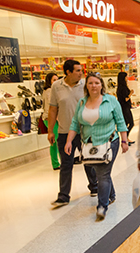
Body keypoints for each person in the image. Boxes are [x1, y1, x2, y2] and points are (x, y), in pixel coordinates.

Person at [64, 73, 128, 221]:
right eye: (91, 83)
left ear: (101, 85)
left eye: (97, 83)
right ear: (86, 85)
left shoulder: (110, 100)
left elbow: (121, 121)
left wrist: (124, 141)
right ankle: (111, 195)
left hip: (110, 141)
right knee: (100, 170)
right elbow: (75, 123)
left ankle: (102, 206)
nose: (94, 86)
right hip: (89, 143)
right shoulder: (81, 102)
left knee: (102, 173)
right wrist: (69, 141)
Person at [48, 60, 98, 208]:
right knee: (66, 164)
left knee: (89, 160)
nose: (80, 73)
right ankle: (63, 196)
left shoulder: (85, 85)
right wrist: (51, 130)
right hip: (64, 132)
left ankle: (94, 186)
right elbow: (52, 109)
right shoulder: (56, 87)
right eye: (77, 70)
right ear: (68, 72)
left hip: (84, 131)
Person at [42, 72, 60, 170]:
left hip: (49, 118)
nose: (56, 82)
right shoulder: (50, 91)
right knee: (56, 142)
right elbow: (52, 108)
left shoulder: (48, 90)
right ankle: (56, 163)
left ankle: (59, 162)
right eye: (54, 80)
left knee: (56, 142)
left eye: (57, 80)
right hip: (51, 119)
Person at [116, 72, 135, 145]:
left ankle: (126, 138)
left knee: (126, 123)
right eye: (126, 77)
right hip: (125, 108)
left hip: (123, 108)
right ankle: (126, 138)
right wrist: (131, 93)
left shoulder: (120, 87)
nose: (127, 78)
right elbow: (126, 99)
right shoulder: (123, 88)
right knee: (131, 123)